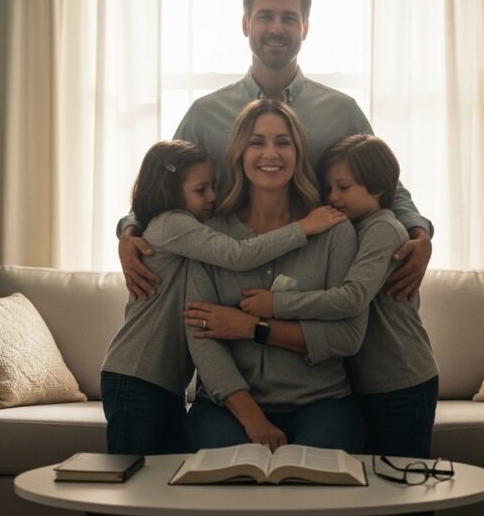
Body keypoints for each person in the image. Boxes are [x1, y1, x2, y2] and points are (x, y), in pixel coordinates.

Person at [119, 0, 433, 303]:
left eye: (289, 18)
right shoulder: (204, 114)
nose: (276, 29)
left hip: (317, 277)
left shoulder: (341, 111)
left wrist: (420, 234)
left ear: (305, 28)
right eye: (265, 16)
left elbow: (385, 183)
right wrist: (129, 232)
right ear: (245, 25)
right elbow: (166, 183)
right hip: (228, 282)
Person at [100, 139, 346, 455]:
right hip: (135, 375)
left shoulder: (188, 230)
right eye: (202, 190)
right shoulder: (172, 224)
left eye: (213, 187)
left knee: (162, 475)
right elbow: (237, 254)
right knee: (129, 475)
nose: (213, 198)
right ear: (169, 190)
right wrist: (304, 227)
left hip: (165, 381)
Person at [182, 99, 368, 453]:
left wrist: (254, 328)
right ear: (238, 152)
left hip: (321, 401)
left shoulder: (334, 231)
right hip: (227, 406)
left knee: (315, 475)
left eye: (283, 142)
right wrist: (252, 418)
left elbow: (348, 336)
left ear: (298, 153)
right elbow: (201, 336)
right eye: (257, 142)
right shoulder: (210, 234)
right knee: (222, 468)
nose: (271, 153)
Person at [238, 134, 439, 457]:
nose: (333, 197)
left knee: (404, 480)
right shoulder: (350, 228)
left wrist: (275, 304)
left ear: (378, 187)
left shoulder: (382, 229)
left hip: (400, 379)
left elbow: (351, 298)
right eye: (328, 188)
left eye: (343, 188)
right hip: (364, 382)